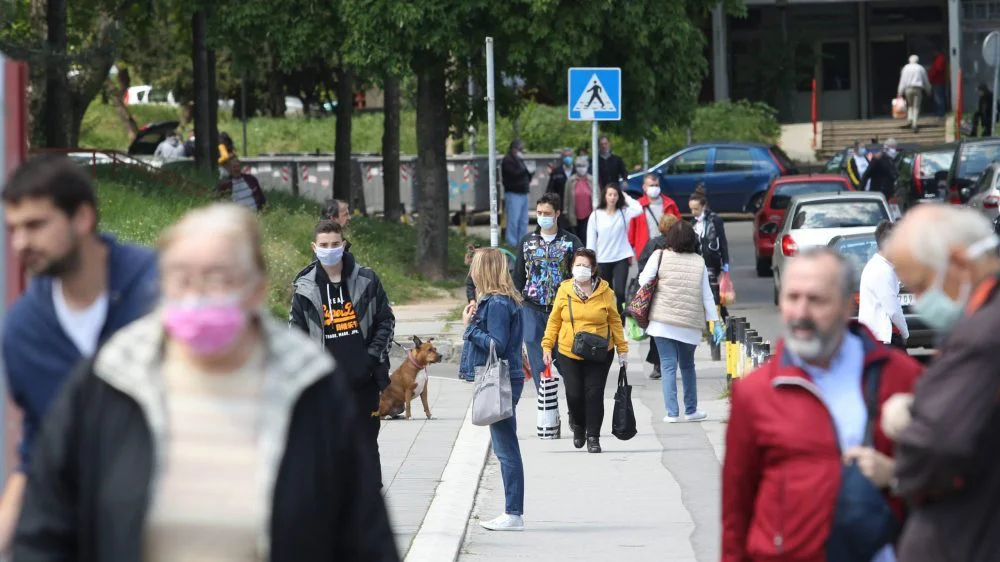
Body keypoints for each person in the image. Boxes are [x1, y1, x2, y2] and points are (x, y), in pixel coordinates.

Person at [13, 203, 399, 561]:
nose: (197, 295)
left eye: (218, 277)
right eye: (181, 278)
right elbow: (46, 526)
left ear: (256, 289)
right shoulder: (110, 381)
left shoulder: (310, 387)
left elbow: (364, 536)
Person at [0, 155, 159, 552]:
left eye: (35, 225)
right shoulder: (23, 332)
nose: (21, 243)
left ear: (82, 218)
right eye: (12, 229)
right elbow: (38, 452)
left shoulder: (160, 292)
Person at [722, 247, 922, 562]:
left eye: (816, 300)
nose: (801, 312)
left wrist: (897, 477)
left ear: (846, 306)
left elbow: (954, 480)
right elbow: (736, 513)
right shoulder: (755, 393)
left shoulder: (899, 378)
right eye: (792, 298)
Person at [881, 204, 1000, 561]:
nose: (918, 301)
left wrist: (910, 430)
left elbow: (939, 442)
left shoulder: (982, 335)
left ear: (960, 264)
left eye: (920, 285)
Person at [289, 219, 395, 489]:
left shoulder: (366, 279)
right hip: (326, 385)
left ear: (344, 244)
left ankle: (371, 501)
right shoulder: (305, 288)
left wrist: (371, 359)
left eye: (335, 244)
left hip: (364, 380)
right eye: (324, 245)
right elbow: (297, 335)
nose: (330, 250)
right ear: (314, 247)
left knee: (366, 444)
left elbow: (386, 321)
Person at [461, 248, 526, 531]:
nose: (471, 273)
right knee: (504, 445)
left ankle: (513, 513)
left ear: (484, 270)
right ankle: (513, 511)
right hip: (505, 376)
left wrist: (470, 327)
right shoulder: (497, 301)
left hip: (501, 378)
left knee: (505, 447)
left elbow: (496, 345)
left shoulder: (498, 304)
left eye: (475, 267)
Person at [541, 248, 627, 453]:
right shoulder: (564, 290)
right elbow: (554, 320)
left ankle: (593, 437)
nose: (581, 269)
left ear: (594, 269)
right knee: (574, 394)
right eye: (578, 265)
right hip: (569, 351)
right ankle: (578, 425)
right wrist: (547, 344)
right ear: (571, 268)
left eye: (586, 266)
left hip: (600, 351)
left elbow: (615, 319)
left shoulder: (606, 292)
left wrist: (622, 348)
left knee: (594, 394)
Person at [638, 221, 721, 422]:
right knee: (687, 366)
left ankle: (672, 413)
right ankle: (691, 410)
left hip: (661, 321)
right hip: (689, 324)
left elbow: (643, 281)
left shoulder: (659, 256)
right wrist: (715, 322)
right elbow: (707, 295)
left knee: (667, 366)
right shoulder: (699, 261)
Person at [512, 193, 583, 392]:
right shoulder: (527, 242)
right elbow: (518, 277)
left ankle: (575, 407)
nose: (543, 216)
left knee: (566, 362)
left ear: (557, 213)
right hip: (532, 309)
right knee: (539, 365)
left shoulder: (571, 242)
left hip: (561, 311)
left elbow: (584, 272)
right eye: (540, 212)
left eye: (547, 213)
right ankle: (547, 410)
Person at [636, 213, 681, 380]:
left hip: (655, 293)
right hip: (674, 292)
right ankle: (669, 362)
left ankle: (658, 365)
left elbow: (642, 264)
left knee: (657, 331)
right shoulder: (680, 244)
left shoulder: (654, 243)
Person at [587, 183, 643, 314]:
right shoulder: (596, 215)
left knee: (620, 292)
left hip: (621, 257)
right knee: (606, 292)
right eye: (609, 194)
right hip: (602, 259)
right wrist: (591, 261)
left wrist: (625, 195)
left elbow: (639, 208)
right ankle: (607, 318)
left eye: (615, 195)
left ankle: (622, 320)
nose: (612, 198)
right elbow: (591, 241)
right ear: (604, 196)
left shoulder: (624, 212)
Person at [859, 220, 909, 349]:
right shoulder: (882, 271)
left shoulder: (876, 266)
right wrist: (905, 333)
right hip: (885, 339)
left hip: (877, 337)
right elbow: (893, 310)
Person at [689, 186, 730, 318]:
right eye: (691, 209)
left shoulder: (714, 220)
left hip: (712, 261)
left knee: (714, 292)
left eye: (696, 209)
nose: (693, 212)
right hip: (698, 262)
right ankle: (719, 320)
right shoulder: (692, 223)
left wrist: (726, 261)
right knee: (706, 294)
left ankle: (718, 322)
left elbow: (722, 241)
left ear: (703, 206)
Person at [627, 173, 681, 259]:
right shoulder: (638, 206)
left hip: (666, 250)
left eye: (656, 185)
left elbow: (679, 226)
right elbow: (632, 232)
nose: (654, 188)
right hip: (644, 251)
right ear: (644, 187)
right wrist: (629, 255)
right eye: (651, 185)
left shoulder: (670, 204)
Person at [501, 139, 532, 247]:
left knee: (523, 220)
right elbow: (513, 174)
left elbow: (526, 175)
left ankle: (521, 242)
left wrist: (530, 172)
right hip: (513, 193)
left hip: (523, 193)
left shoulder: (520, 160)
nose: (522, 151)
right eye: (520, 149)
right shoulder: (508, 160)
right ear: (514, 149)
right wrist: (524, 170)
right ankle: (512, 242)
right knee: (513, 220)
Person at [859, 139, 900, 205]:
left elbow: (893, 174)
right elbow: (866, 174)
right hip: (879, 193)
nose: (894, 150)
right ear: (887, 148)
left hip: (888, 194)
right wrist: (861, 190)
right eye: (893, 148)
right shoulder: (878, 159)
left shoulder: (891, 160)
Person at [563, 156, 594, 242]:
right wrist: (565, 211)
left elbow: (597, 195)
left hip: (589, 213)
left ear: (587, 167)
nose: (581, 168)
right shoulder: (571, 180)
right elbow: (566, 197)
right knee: (577, 236)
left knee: (587, 236)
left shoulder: (592, 179)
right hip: (574, 213)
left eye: (583, 166)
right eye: (579, 166)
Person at [898, 54, 931, 132]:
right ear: (917, 60)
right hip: (918, 89)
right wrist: (928, 90)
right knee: (916, 107)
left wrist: (899, 92)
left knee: (910, 105)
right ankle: (914, 124)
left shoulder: (905, 68)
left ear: (909, 60)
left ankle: (910, 119)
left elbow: (902, 81)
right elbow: (925, 80)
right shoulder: (921, 68)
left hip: (907, 89)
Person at [546, 148, 575, 231]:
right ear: (562, 158)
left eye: (569, 156)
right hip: (560, 206)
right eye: (565, 156)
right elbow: (550, 190)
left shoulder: (577, 171)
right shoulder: (556, 172)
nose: (568, 158)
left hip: (574, 207)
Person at [928, 50, 948, 118]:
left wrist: (931, 75)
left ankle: (940, 112)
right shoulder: (939, 59)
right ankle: (938, 111)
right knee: (937, 97)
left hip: (938, 81)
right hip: (937, 81)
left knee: (938, 98)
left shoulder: (939, 59)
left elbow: (937, 69)